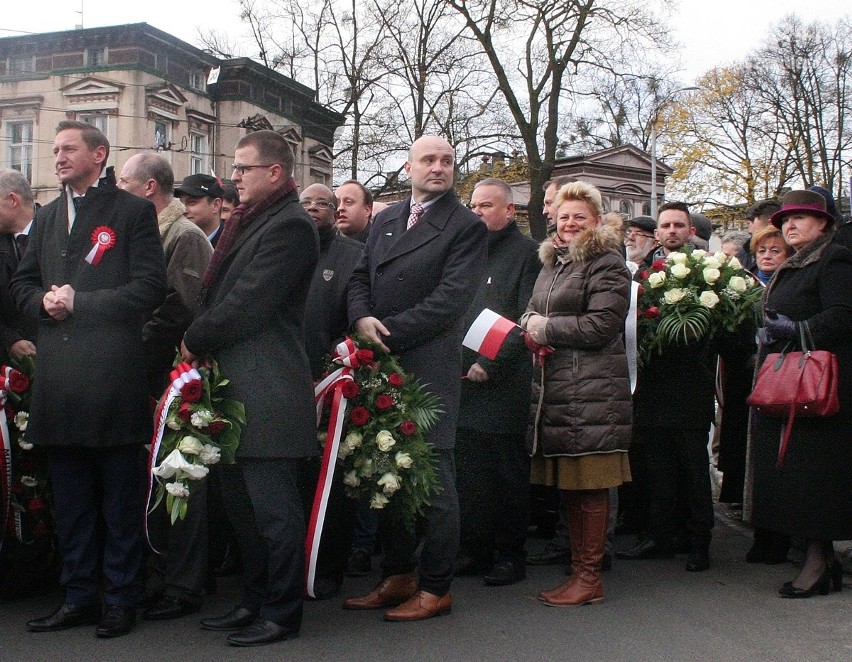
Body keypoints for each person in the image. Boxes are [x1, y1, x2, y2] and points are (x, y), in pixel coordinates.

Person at [12, 120, 166, 638]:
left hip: (110, 376)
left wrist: (84, 304)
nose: (57, 157)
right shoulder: (48, 214)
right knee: (71, 499)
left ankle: (120, 598)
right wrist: (42, 304)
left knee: (118, 499)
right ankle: (78, 596)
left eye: (68, 148)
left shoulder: (133, 212)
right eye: (53, 149)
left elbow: (149, 288)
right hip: (59, 379)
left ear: (99, 154)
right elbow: (22, 283)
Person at [180, 129, 319, 646]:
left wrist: (194, 338)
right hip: (239, 386)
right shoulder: (252, 219)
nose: (232, 177)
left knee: (274, 513)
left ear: (275, 173)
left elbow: (248, 302)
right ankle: (254, 600)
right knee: (244, 511)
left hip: (269, 388)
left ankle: (281, 612)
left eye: (242, 168)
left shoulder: (290, 227)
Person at [344, 135, 487, 621]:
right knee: (386, 471)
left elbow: (450, 302)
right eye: (429, 159)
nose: (439, 168)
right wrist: (361, 317)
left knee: (434, 481)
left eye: (447, 161)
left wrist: (384, 334)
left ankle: (436, 586)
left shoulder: (465, 226)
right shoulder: (384, 218)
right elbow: (359, 276)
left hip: (426, 366)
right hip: (383, 366)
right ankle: (400, 573)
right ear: (409, 167)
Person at [520, 181, 631, 606]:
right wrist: (531, 321)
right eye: (564, 216)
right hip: (560, 388)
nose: (569, 223)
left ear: (596, 221)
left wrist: (545, 328)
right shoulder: (555, 262)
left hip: (593, 392)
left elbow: (601, 325)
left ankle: (589, 578)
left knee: (590, 488)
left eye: (579, 217)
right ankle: (580, 572)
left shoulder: (607, 263)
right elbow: (535, 307)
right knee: (572, 488)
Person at [116, 153, 213, 620]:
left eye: (124, 182)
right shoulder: (148, 232)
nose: (118, 189)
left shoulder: (184, 235)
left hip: (175, 376)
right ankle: (160, 575)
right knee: (153, 479)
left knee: (180, 479)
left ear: (149, 186)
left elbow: (182, 309)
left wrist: (126, 345)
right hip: (146, 372)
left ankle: (184, 584)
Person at [750, 189, 852, 597]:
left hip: (822, 385)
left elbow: (843, 315)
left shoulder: (834, 258)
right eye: (785, 220)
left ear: (824, 223)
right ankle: (820, 558)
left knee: (815, 476)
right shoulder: (793, 264)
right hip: (792, 380)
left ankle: (818, 560)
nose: (789, 225)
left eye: (801, 219)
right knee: (796, 473)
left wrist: (796, 331)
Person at [618, 202, 717, 572]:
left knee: (692, 467)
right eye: (665, 225)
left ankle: (698, 541)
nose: (672, 231)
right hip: (651, 384)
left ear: (691, 231)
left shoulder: (707, 272)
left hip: (690, 386)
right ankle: (660, 535)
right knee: (657, 467)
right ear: (656, 233)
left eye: (679, 225)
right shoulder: (642, 272)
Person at [454, 178, 540, 585]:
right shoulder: (465, 252)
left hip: (502, 382)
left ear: (510, 211)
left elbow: (524, 316)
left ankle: (510, 554)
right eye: (473, 205)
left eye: (486, 205)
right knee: (471, 474)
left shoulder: (527, 254)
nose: (477, 212)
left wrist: (492, 361)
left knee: (505, 474)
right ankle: (475, 548)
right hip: (461, 382)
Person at [298, 182, 363, 599]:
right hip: (289, 378)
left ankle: (330, 567)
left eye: (323, 203)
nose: (315, 208)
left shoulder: (354, 256)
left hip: (334, 380)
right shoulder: (288, 252)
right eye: (306, 202)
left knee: (333, 484)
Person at [0, 168, 38, 364]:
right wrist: (9, 339)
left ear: (13, 200)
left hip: (58, 356)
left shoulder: (58, 231)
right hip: (9, 366)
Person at [175, 174, 225, 246]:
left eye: (191, 202)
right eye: (180, 203)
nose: (183, 210)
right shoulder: (175, 241)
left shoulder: (233, 243)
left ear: (215, 205)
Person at [738, 199, 781, 272]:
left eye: (752, 221)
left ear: (770, 222)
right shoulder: (745, 252)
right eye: (762, 251)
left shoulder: (792, 250)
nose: (749, 229)